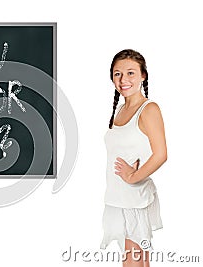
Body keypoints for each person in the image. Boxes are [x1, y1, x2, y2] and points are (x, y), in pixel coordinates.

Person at [100, 49, 167, 267]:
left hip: (134, 199)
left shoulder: (149, 109)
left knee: (134, 262)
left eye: (130, 73)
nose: (123, 79)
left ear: (143, 76)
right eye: (117, 74)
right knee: (132, 262)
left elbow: (161, 154)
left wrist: (133, 176)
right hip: (117, 198)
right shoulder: (120, 109)